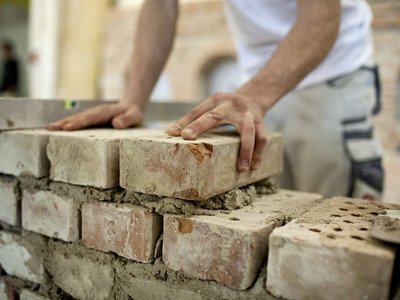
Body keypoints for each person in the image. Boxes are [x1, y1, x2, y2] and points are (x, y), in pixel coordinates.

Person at [49, 0, 384, 199]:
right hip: (256, 75)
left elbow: (322, 15)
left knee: (327, 231)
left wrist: (253, 96)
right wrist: (133, 100)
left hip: (332, 71)